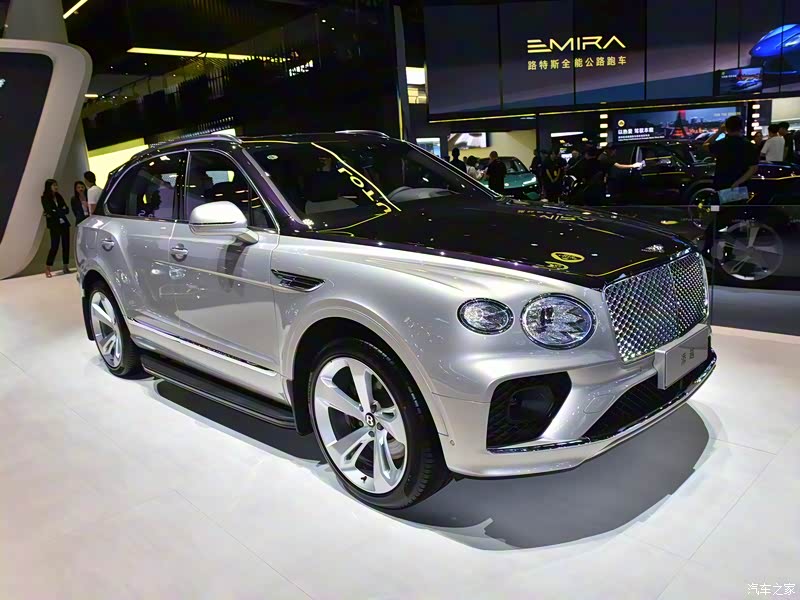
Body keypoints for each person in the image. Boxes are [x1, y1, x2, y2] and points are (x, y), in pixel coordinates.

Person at [703, 115, 759, 192]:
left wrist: (719, 132)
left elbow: (705, 146)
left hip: (722, 186)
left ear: (726, 128)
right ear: (741, 128)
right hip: (741, 187)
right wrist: (737, 183)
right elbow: (753, 168)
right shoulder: (749, 146)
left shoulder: (721, 144)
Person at [40, 179, 71, 278]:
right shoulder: (45, 198)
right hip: (54, 225)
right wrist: (58, 211)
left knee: (66, 245)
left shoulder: (59, 196)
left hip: (64, 224)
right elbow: (49, 211)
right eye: (54, 185)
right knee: (54, 246)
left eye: (56, 185)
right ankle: (48, 268)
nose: (56, 187)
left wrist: (56, 211)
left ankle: (65, 266)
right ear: (49, 186)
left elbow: (67, 209)